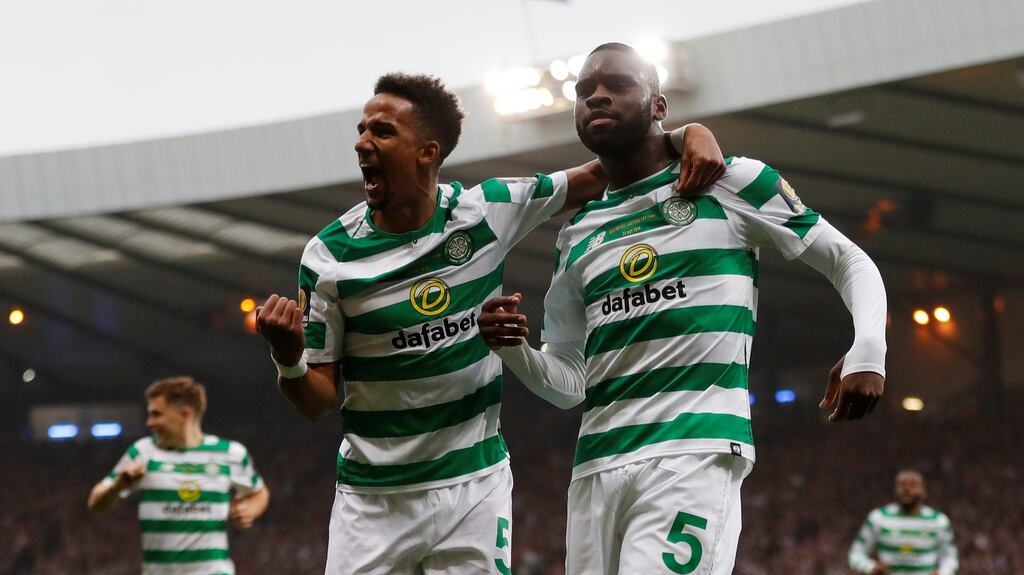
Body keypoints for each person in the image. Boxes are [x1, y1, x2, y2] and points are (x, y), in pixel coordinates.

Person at [255, 71, 725, 574]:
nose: (362, 143)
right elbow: (318, 400)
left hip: (474, 491)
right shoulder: (329, 256)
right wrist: (288, 358)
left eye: (382, 132)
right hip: (374, 502)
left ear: (427, 153)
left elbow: (603, 171)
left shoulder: (486, 211)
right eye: (362, 128)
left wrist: (685, 133)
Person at [477, 42, 887, 574]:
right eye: (584, 91)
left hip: (692, 453)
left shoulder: (731, 182)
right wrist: (514, 350)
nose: (596, 97)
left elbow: (849, 261)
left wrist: (869, 347)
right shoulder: (577, 233)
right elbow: (570, 382)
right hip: (596, 467)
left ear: (659, 105)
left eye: (617, 84)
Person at [88, 376, 269, 575]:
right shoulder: (143, 452)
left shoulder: (229, 453)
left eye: (156, 414)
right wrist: (118, 486)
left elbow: (259, 492)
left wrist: (250, 510)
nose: (149, 422)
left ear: (185, 415)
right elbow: (96, 503)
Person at [849, 470, 959, 574]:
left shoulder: (939, 521)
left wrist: (943, 573)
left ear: (924, 491)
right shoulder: (878, 518)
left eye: (913, 485)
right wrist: (870, 567)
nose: (907, 489)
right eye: (902, 485)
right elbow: (856, 554)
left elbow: (951, 558)